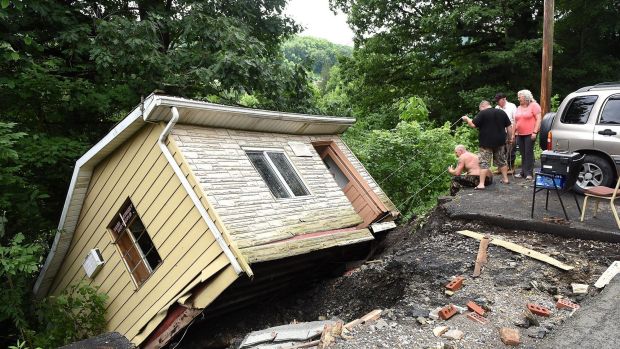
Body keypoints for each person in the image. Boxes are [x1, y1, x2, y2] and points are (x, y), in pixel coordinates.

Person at [462, 100, 513, 188]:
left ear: (482, 107)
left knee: (484, 162)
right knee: (502, 160)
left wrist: (467, 119)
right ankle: (505, 179)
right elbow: (509, 126)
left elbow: (473, 124)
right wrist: (510, 138)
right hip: (500, 141)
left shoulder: (483, 113)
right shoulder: (501, 112)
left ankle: (481, 184)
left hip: (486, 142)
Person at [513, 89, 541, 180]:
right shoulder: (519, 107)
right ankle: (523, 172)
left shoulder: (534, 106)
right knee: (522, 153)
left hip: (530, 133)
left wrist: (535, 132)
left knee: (528, 153)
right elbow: (515, 122)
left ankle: (529, 173)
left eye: (520, 97)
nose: (518, 99)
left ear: (526, 97)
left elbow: (539, 119)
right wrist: (513, 134)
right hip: (519, 134)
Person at [495, 92, 518, 173]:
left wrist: (513, 134)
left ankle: (511, 168)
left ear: (504, 99)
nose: (498, 102)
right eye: (497, 101)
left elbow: (515, 120)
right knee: (500, 151)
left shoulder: (512, 106)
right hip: (500, 132)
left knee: (511, 150)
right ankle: (501, 168)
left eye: (499, 100)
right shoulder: (497, 107)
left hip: (510, 130)